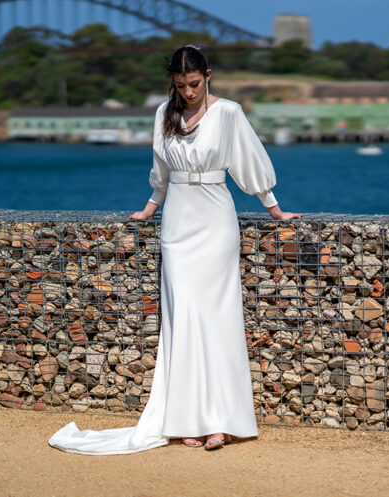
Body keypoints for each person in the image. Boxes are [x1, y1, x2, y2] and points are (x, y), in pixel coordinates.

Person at [48, 44, 300, 455]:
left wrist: (275, 210)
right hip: (178, 222)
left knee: (218, 317)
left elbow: (249, 161)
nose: (188, 92)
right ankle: (186, 419)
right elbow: (161, 171)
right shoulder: (164, 115)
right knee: (182, 317)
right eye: (181, 85)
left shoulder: (229, 112)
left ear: (209, 75)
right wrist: (149, 209)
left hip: (216, 219)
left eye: (195, 84)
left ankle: (220, 420)